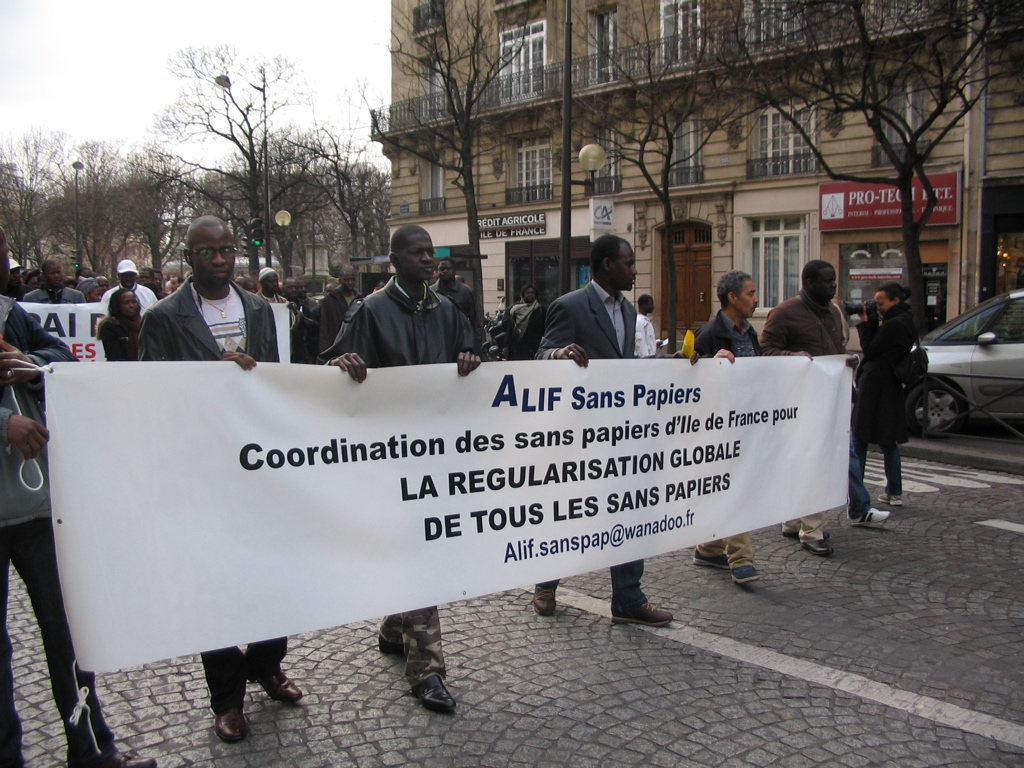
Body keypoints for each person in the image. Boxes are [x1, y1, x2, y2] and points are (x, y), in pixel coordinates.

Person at [138, 216, 302, 742]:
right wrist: (213, 377)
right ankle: (227, 698)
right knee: (214, 582)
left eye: (227, 249)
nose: (220, 259)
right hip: (201, 468)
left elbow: (276, 380)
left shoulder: (258, 308)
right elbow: (152, 393)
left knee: (274, 571)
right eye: (208, 251)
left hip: (256, 463)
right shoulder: (165, 317)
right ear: (189, 258)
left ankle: (268, 664)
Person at [0, 226, 157, 768]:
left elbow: (56, 355)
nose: (9, 265)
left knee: (68, 633)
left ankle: (91, 748)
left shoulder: (9, 314)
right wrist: (3, 423)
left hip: (37, 504)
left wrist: (24, 361)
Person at [320, 224, 478, 715]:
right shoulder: (369, 311)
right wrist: (341, 364)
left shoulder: (446, 309)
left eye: (432, 252)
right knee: (419, 551)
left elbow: (473, 356)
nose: (429, 259)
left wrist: (471, 357)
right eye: (418, 252)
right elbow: (326, 371)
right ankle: (426, 671)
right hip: (390, 456)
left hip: (437, 453)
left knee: (422, 546)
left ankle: (394, 628)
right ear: (395, 260)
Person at [532, 234, 674, 627]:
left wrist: (676, 367)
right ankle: (545, 584)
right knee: (569, 512)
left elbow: (628, 366)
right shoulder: (570, 306)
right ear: (608, 264)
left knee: (628, 509)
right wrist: (558, 354)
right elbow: (540, 354)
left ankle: (628, 598)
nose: (634, 269)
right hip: (577, 435)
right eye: (629, 263)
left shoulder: (629, 313)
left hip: (619, 434)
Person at [760, 260, 851, 556]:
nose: (833, 287)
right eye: (828, 282)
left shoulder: (834, 312)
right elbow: (766, 351)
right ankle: (811, 531)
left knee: (816, 462)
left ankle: (796, 521)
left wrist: (847, 361)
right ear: (809, 282)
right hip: (796, 402)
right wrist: (795, 357)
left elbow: (837, 348)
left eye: (834, 281)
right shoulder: (785, 313)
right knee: (805, 462)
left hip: (829, 401)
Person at [689, 271, 762, 584]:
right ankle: (740, 558)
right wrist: (708, 362)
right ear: (733, 298)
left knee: (734, 487)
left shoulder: (751, 333)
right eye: (750, 293)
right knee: (734, 488)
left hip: (746, 423)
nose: (756, 299)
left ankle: (708, 548)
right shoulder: (708, 333)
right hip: (719, 429)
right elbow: (689, 375)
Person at [848, 283, 916, 522]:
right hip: (891, 385)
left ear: (895, 301)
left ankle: (857, 493)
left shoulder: (894, 324)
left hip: (876, 385)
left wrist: (866, 325)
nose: (877, 307)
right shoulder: (906, 321)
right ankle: (894, 491)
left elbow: (871, 349)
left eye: (881, 303)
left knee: (860, 437)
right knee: (888, 441)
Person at [317, 267, 362, 353]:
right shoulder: (331, 299)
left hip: (355, 345)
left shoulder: (360, 299)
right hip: (336, 345)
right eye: (346, 280)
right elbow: (324, 327)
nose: (350, 282)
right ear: (340, 280)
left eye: (352, 280)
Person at [502, 284, 546, 360]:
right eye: (528, 293)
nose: (530, 295)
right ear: (522, 295)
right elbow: (510, 328)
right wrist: (506, 346)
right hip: (519, 345)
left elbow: (545, 327)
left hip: (536, 346)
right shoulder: (515, 310)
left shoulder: (540, 309)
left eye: (532, 293)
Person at [96, 289, 142, 361]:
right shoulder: (110, 326)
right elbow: (114, 357)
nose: (131, 305)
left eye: (134, 302)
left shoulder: (143, 324)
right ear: (117, 305)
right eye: (126, 303)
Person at [431, 257, 477, 329]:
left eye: (448, 269)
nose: (445, 271)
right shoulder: (430, 292)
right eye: (442, 269)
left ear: (455, 271)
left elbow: (475, 320)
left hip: (461, 335)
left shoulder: (466, 291)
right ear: (437, 271)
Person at [282, 277, 320, 364]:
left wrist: (303, 318)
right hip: (283, 350)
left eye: (295, 287)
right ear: (283, 289)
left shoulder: (303, 307)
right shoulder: (279, 305)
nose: (293, 290)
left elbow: (315, 327)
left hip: (299, 353)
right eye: (290, 287)